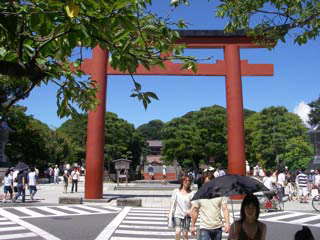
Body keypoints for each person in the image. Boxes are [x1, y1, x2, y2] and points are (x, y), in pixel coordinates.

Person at [191, 171, 230, 240]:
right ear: (203, 183)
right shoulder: (199, 194)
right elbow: (195, 211)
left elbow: (225, 209)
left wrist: (227, 223)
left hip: (217, 227)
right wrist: (192, 226)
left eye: (210, 182)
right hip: (204, 227)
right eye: (206, 183)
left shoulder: (220, 194)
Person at [168, 175, 194, 240]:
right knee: (177, 232)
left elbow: (194, 204)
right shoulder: (176, 191)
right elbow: (172, 203)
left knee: (185, 234)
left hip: (186, 215)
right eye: (185, 180)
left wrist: (190, 211)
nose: (187, 182)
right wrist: (170, 213)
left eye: (189, 181)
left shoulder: (191, 193)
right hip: (177, 214)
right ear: (182, 181)